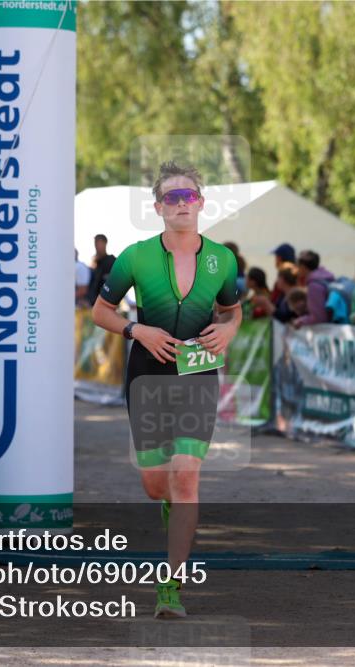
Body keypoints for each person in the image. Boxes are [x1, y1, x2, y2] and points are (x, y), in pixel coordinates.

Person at [91, 161, 241, 619]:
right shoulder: (134, 256)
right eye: (171, 198)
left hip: (197, 377)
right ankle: (168, 504)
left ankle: (170, 588)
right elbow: (101, 311)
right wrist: (137, 330)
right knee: (157, 485)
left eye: (188, 196)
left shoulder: (222, 258)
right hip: (147, 376)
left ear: (201, 203)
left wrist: (229, 332)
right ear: (158, 207)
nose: (181, 204)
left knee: (187, 478)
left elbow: (232, 312)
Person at [292, 250, 336, 328]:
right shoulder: (326, 278)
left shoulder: (314, 286)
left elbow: (319, 318)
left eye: (297, 266)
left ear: (303, 267)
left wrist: (301, 321)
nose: (296, 270)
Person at [87, 234, 116, 304]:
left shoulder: (111, 261)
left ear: (105, 243)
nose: (97, 247)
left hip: (106, 303)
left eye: (99, 243)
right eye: (95, 244)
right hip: (93, 303)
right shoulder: (96, 263)